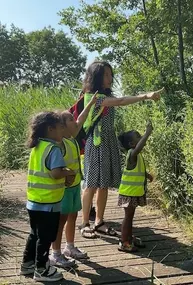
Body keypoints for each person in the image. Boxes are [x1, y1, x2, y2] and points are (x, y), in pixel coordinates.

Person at [79, 61, 163, 238]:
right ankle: (85, 223)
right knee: (91, 185)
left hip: (108, 143)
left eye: (111, 74)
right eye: (106, 75)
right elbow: (122, 101)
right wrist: (145, 96)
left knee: (104, 186)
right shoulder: (93, 97)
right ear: (96, 77)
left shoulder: (103, 96)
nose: (110, 78)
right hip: (96, 144)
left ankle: (99, 222)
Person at [20, 111, 75, 282]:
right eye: (60, 128)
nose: (62, 132)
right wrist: (69, 172)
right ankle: (42, 270)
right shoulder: (54, 149)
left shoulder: (37, 147)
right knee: (46, 237)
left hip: (34, 201)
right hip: (48, 203)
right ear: (51, 129)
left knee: (34, 234)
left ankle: (27, 264)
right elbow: (55, 173)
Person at [50, 93, 98, 268]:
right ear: (62, 126)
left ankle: (69, 247)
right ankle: (55, 254)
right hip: (62, 189)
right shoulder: (59, 143)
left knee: (72, 216)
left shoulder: (71, 138)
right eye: (71, 119)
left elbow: (82, 118)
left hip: (75, 186)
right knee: (60, 220)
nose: (75, 120)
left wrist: (91, 103)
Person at [117, 122, 153, 252]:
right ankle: (124, 242)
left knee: (130, 217)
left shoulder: (136, 156)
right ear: (132, 144)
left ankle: (129, 238)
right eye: (139, 136)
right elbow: (140, 146)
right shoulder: (132, 153)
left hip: (134, 192)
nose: (142, 137)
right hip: (129, 193)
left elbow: (137, 170)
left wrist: (147, 175)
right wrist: (148, 133)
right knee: (128, 217)